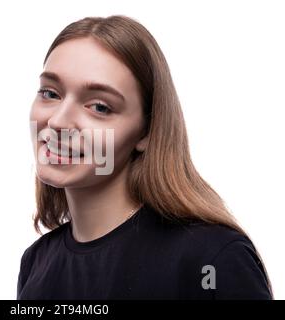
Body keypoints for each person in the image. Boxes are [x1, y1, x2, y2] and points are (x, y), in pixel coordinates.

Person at [18, 15, 273, 300]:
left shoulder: (211, 258)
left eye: (100, 107)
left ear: (147, 132)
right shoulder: (36, 264)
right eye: (50, 93)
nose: (58, 122)